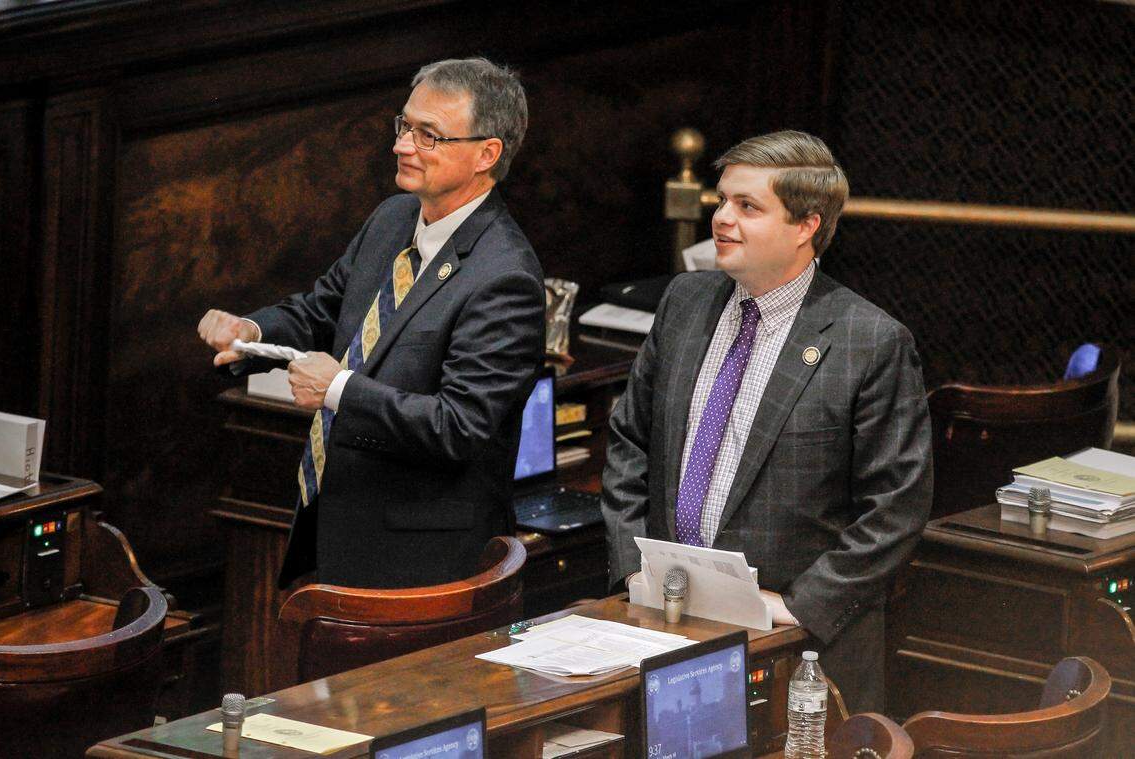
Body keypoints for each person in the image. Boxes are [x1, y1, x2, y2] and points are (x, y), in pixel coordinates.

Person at [602, 130, 932, 712]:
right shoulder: (684, 301)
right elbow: (631, 441)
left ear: (806, 225)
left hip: (797, 647)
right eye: (722, 200)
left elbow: (896, 506)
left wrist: (803, 605)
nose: (722, 219)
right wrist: (633, 571)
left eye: (747, 207)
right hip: (665, 622)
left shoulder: (869, 342)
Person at [198, 58, 545, 590]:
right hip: (339, 526)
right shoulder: (392, 219)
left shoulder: (504, 276)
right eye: (405, 126)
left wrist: (339, 390)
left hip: (426, 561)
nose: (402, 145)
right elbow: (323, 309)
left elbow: (461, 427)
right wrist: (251, 332)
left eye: (428, 135)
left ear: (487, 154)